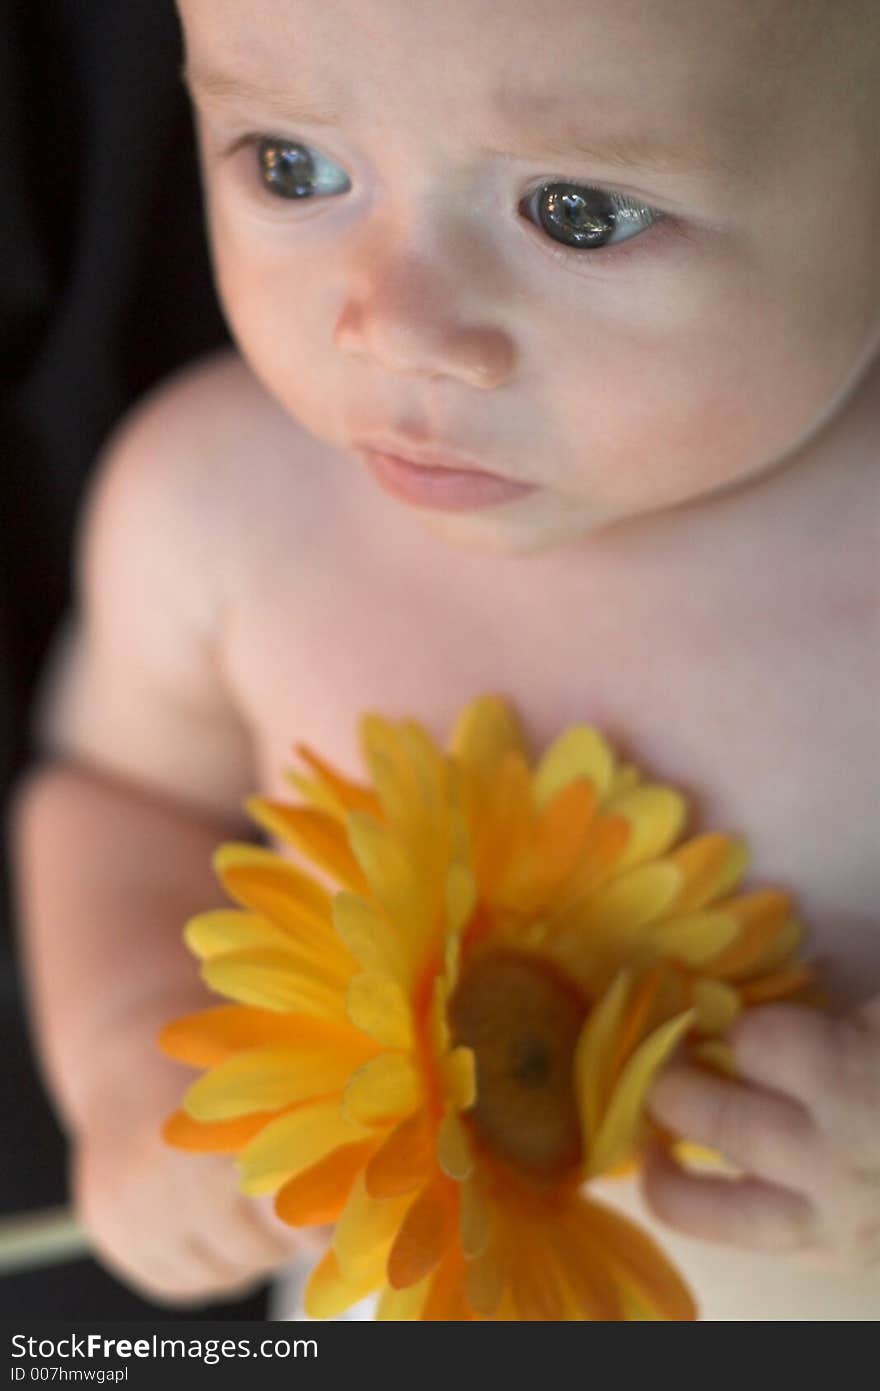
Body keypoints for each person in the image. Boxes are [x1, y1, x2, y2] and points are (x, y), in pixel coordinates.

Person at [8, 0, 880, 1319]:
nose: (396, 326)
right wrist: (134, 1056)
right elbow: (118, 801)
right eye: (291, 165)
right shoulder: (222, 510)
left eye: (579, 210)